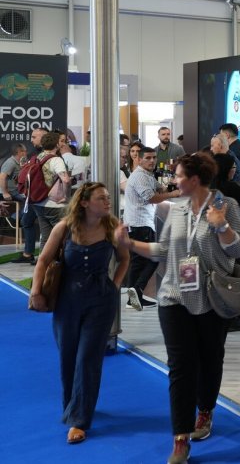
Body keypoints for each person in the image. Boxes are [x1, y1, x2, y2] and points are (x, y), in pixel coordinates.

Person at [120, 153, 240, 464]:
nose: (174, 181)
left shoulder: (226, 206)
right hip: (174, 297)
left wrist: (222, 227)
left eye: (178, 176)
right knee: (180, 366)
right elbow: (163, 250)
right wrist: (130, 245)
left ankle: (205, 409)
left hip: (212, 297)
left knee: (210, 358)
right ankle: (180, 439)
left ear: (194, 180)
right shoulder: (177, 210)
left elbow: (238, 248)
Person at [29, 183, 129, 445]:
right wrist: (36, 291)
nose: (107, 201)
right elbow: (43, 260)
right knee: (68, 356)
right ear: (84, 203)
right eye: (101, 198)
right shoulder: (64, 228)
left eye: (108, 197)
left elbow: (125, 259)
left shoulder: (113, 228)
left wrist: (114, 285)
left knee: (88, 358)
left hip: (101, 302)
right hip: (67, 301)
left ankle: (79, 420)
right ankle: (74, 405)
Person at [123, 146, 182, 311]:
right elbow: (152, 198)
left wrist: (173, 184)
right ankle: (137, 291)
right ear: (139, 159)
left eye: (154, 157)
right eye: (148, 158)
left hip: (141, 223)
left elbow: (161, 188)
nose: (152, 161)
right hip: (140, 224)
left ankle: (134, 299)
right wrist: (172, 194)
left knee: (139, 262)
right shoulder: (140, 176)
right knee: (153, 258)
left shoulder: (147, 175)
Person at [31, 131, 72, 250]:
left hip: (38, 203)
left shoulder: (38, 157)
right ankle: (63, 261)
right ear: (57, 145)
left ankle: (43, 261)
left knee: (46, 237)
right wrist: (66, 197)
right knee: (65, 236)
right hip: (54, 205)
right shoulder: (56, 160)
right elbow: (66, 180)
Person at [2, 142, 39, 265]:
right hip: (13, 192)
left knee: (30, 202)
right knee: (30, 202)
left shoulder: (21, 162)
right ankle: (15, 217)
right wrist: (5, 192)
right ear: (18, 152)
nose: (26, 153)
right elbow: (2, 177)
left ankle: (18, 217)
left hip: (19, 192)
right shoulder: (10, 162)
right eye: (23, 151)